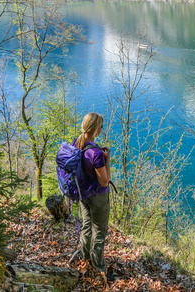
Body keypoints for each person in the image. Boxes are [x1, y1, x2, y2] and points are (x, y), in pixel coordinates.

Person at [72, 112, 113, 280]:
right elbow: (104, 181)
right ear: (95, 128)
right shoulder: (96, 153)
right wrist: (107, 160)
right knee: (99, 231)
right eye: (101, 127)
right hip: (98, 197)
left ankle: (85, 256)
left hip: (83, 193)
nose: (101, 129)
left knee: (86, 225)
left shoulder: (77, 143)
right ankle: (99, 267)